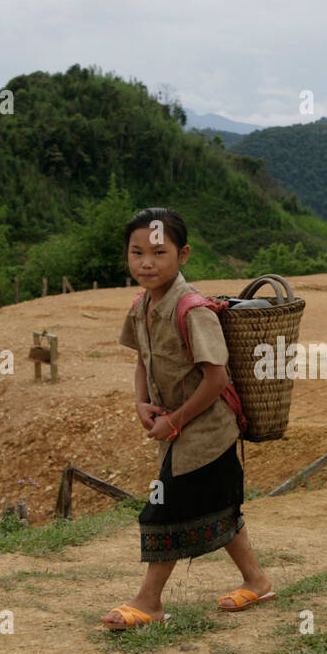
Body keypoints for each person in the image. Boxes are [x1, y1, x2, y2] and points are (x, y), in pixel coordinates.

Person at [100, 207, 275, 630]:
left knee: (168, 509)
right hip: (177, 431)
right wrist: (141, 403)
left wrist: (174, 421)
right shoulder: (142, 307)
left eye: (159, 252)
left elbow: (216, 379)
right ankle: (257, 581)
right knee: (220, 508)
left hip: (207, 432)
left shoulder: (193, 310)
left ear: (183, 255)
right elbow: (143, 359)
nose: (146, 262)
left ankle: (150, 602)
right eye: (136, 252)